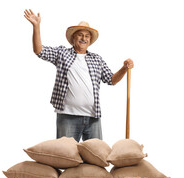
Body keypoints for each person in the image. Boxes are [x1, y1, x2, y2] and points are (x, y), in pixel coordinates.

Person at [24, 9, 134, 142]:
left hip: (93, 117)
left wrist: (124, 68)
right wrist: (36, 26)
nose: (84, 38)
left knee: (97, 158)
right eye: (80, 35)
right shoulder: (62, 53)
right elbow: (39, 50)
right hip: (68, 116)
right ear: (73, 38)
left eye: (87, 36)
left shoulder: (96, 59)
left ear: (90, 40)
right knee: (66, 157)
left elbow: (111, 80)